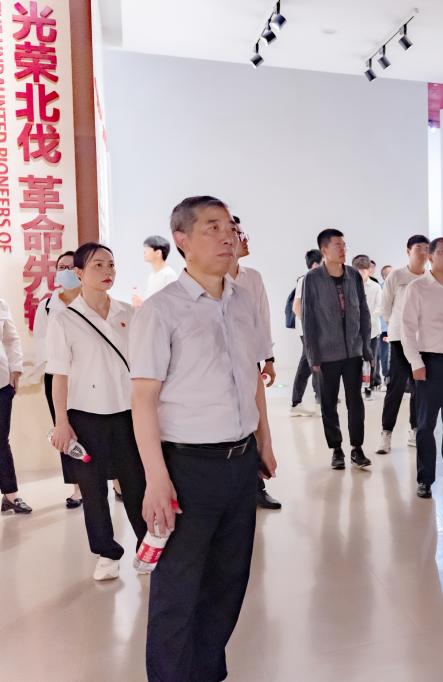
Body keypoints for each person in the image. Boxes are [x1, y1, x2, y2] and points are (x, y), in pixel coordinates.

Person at [131, 195, 278, 680]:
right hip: (186, 468)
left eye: (229, 226)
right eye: (211, 227)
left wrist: (265, 440)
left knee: (228, 581)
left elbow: (253, 377)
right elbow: (143, 399)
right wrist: (156, 479)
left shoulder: (242, 301)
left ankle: (207, 671)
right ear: (182, 240)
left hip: (241, 463)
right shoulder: (161, 311)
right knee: (178, 588)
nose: (226, 236)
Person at [47, 242, 148, 581]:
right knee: (93, 491)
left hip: (128, 413)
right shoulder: (64, 319)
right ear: (78, 273)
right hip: (85, 418)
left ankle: (147, 547)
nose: (107, 272)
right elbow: (59, 376)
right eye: (98, 266)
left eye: (111, 265)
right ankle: (107, 552)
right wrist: (61, 422)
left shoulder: (128, 313)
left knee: (136, 483)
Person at [402, 237, 443, 499]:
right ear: (430, 257)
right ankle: (425, 479)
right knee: (425, 426)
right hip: (429, 364)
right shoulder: (418, 288)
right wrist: (416, 363)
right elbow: (407, 328)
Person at [302, 228, 373, 470]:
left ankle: (357, 448)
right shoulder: (312, 279)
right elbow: (308, 319)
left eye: (344, 245)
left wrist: (366, 346)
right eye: (337, 245)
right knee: (329, 403)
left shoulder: (353, 275)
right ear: (324, 250)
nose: (343, 249)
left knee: (356, 402)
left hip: (353, 351)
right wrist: (313, 355)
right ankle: (336, 449)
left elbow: (364, 312)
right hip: (326, 353)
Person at [227, 219, 282, 510]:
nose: (244, 239)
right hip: (220, 363)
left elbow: (263, 318)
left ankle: (257, 485)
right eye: (238, 234)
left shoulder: (253, 278)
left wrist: (268, 360)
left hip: (249, 359)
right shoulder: (211, 278)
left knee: (255, 417)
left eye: (241, 233)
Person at [31, 250, 82, 508]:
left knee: (96, 429)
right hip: (57, 377)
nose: (65, 271)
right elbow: (41, 341)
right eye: (61, 267)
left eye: (71, 267)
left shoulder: (89, 300)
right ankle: (77, 488)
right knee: (65, 430)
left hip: (87, 376)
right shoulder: (47, 306)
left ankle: (115, 481)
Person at [376, 235, 430, 454]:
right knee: (396, 386)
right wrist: (396, 326)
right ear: (408, 251)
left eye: (426, 248)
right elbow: (385, 306)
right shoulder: (397, 275)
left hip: (422, 341)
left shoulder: (430, 277)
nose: (423, 251)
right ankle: (386, 433)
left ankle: (415, 429)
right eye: (418, 248)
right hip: (399, 339)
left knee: (419, 387)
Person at [0, 296, 31, 515]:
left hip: (1, 383)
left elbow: (11, 339)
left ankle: (10, 496)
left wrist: (16, 369)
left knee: (1, 440)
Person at [291, 249, 323, 416]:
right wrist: (310, 325)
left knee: (310, 364)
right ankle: (297, 403)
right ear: (316, 264)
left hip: (317, 330)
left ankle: (298, 403)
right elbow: (296, 306)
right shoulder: (305, 279)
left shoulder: (319, 279)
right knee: (310, 364)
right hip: (308, 331)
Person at [352, 255, 383, 401]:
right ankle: (356, 386)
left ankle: (368, 387)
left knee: (371, 359)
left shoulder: (375, 287)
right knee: (356, 360)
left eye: (363, 271)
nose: (361, 274)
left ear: (369, 270)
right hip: (355, 332)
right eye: (358, 271)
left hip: (372, 330)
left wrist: (368, 318)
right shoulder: (350, 285)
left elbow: (380, 307)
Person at [132, 235, 178, 307]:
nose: (144, 251)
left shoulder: (169, 275)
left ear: (158, 253)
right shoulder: (152, 276)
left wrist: (143, 304)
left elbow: (173, 305)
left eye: (147, 248)